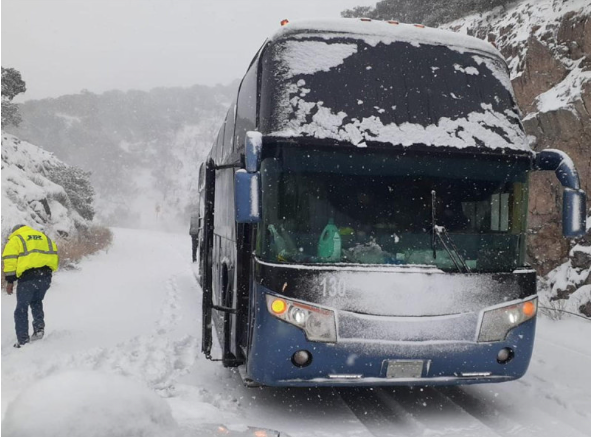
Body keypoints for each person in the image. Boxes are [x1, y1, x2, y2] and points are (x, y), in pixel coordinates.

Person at [2, 224, 59, 348]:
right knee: (36, 301)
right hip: (46, 276)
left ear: (15, 231)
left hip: (28, 278)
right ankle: (39, 329)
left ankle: (23, 341)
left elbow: (9, 260)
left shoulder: (17, 239)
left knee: (21, 309)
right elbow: (54, 254)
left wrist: (10, 281)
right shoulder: (43, 237)